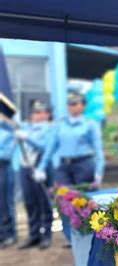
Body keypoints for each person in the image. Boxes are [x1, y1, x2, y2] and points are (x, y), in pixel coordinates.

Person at [35, 91, 104, 186]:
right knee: (63, 196)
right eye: (69, 103)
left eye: (74, 103)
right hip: (64, 166)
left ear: (83, 106)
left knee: (83, 197)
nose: (71, 106)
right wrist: (41, 167)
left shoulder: (90, 124)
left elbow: (98, 149)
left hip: (83, 165)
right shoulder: (59, 124)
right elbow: (50, 148)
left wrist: (99, 170)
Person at [15, 100, 53, 250]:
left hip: (40, 166)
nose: (35, 115)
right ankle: (33, 235)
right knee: (29, 202)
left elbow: (43, 146)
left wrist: (27, 138)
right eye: (34, 112)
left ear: (47, 114)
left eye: (39, 112)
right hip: (25, 166)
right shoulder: (28, 127)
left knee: (43, 202)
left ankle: (46, 236)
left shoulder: (50, 128)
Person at [0, 117, 16, 249]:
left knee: (4, 202)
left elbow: (7, 154)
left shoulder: (8, 132)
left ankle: (9, 234)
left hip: (3, 167)